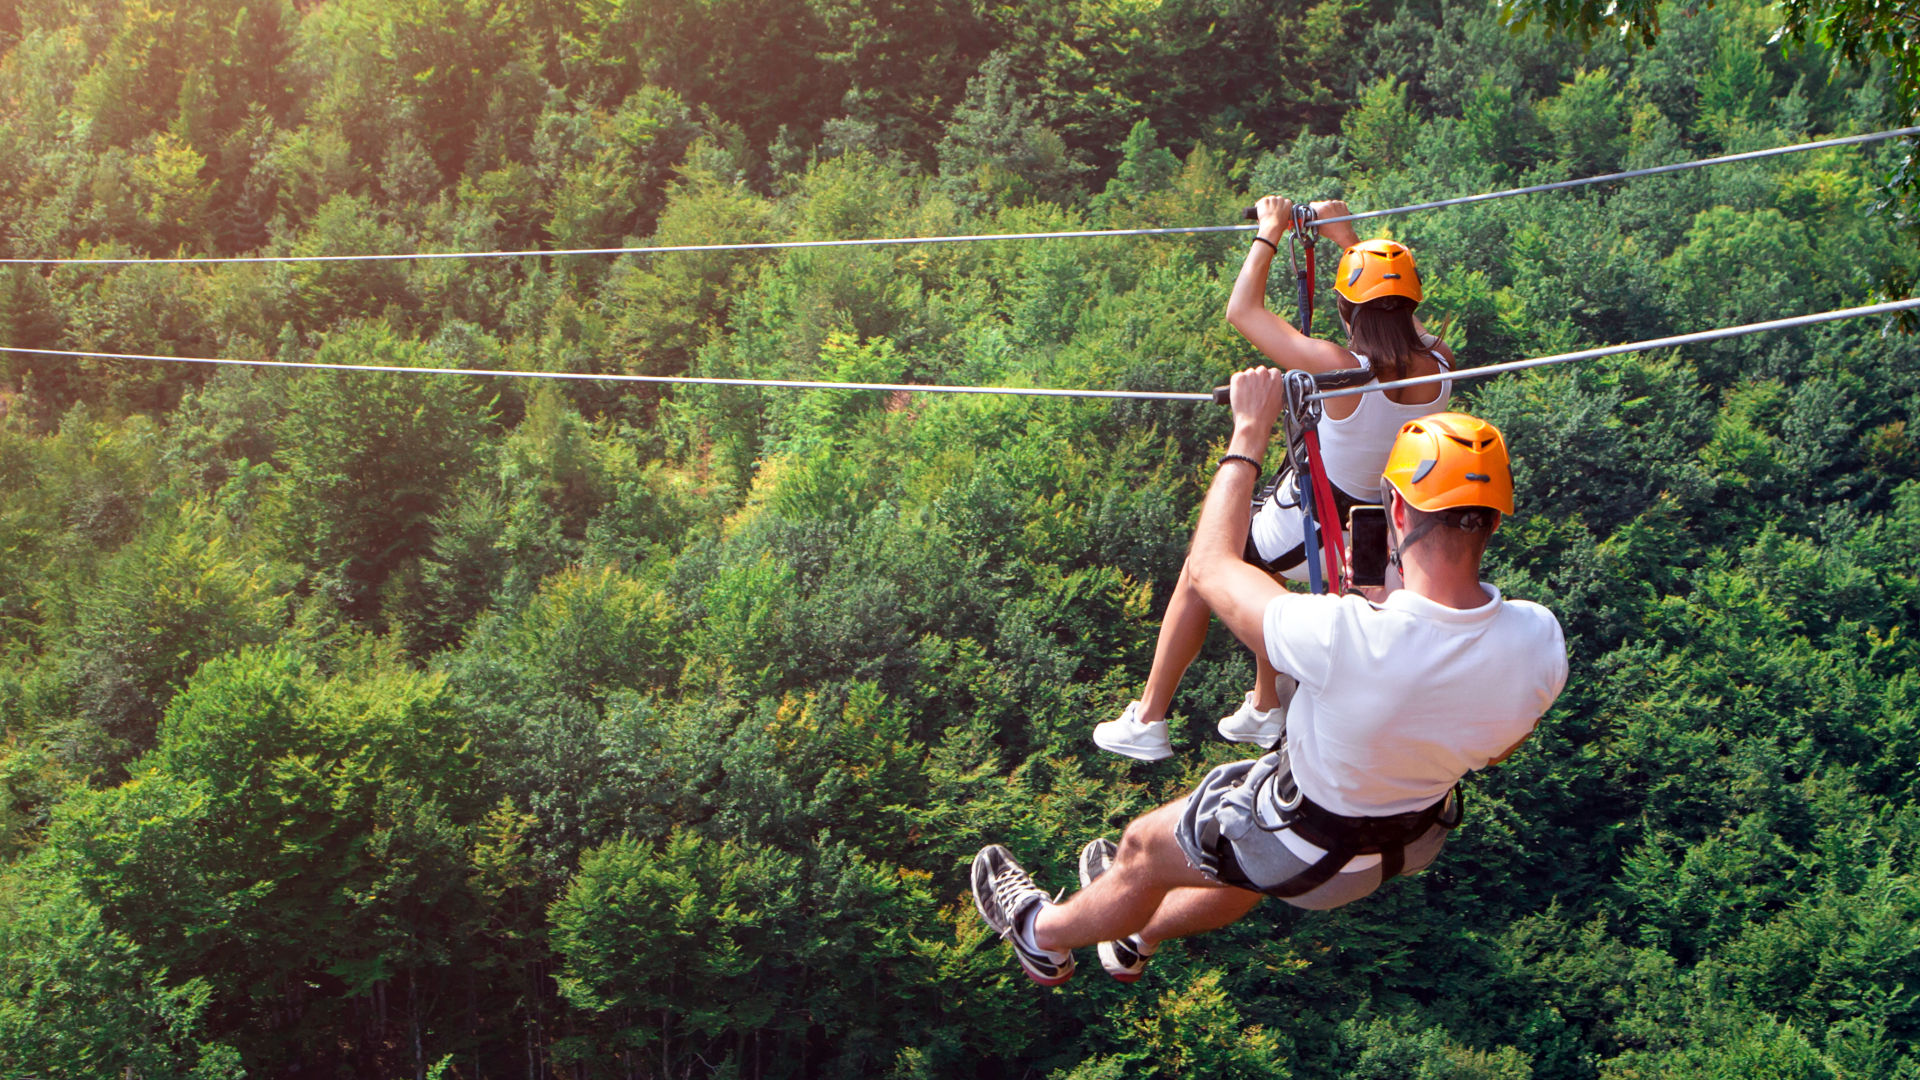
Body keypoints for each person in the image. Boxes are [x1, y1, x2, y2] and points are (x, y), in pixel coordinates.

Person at [972, 376, 1568, 986]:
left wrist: (1249, 431)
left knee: (1141, 851)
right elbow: (1497, 749)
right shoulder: (1540, 641)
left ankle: (1039, 936)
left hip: (1304, 842)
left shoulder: (1342, 635)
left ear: (1396, 509)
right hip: (1404, 843)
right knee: (1241, 863)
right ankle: (1135, 937)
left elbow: (1209, 567)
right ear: (1494, 522)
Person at [1093, 197, 1461, 762]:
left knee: (1203, 566)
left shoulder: (1337, 368)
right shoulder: (1441, 363)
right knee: (1264, 568)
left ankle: (1149, 718)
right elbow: (1398, 317)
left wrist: (1269, 231)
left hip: (1316, 524)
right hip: (1374, 532)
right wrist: (1348, 242)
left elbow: (1242, 311)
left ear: (1345, 308)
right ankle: (1266, 705)